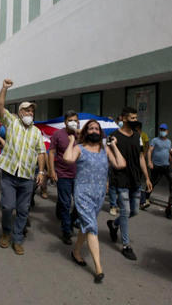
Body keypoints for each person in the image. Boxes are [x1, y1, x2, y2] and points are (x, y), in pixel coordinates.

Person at [64, 120, 127, 284]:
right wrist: (71, 142)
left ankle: (76, 252)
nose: (94, 131)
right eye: (91, 128)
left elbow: (121, 164)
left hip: (98, 195)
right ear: (86, 132)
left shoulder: (105, 150)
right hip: (83, 193)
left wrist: (114, 146)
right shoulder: (79, 148)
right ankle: (98, 268)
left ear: (100, 133)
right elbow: (68, 159)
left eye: (96, 129)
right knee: (92, 226)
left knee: (86, 225)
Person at [0, 79, 47, 255]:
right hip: (9, 174)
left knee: (24, 210)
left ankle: (17, 239)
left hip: (27, 177)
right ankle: (6, 232)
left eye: (32, 110)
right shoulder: (11, 122)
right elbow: (1, 106)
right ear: (19, 112)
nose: (30, 113)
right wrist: (4, 88)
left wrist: (41, 171)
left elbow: (41, 152)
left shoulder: (37, 132)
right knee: (8, 206)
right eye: (27, 110)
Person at [106, 107, 152, 261]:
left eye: (135, 118)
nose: (135, 121)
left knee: (134, 211)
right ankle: (126, 245)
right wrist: (106, 180)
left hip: (135, 180)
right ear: (124, 118)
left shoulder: (137, 136)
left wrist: (147, 178)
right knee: (125, 211)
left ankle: (114, 224)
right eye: (132, 118)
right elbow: (108, 158)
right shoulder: (113, 136)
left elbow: (140, 158)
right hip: (121, 180)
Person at [48, 110, 80, 245]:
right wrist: (51, 171)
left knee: (79, 203)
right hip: (63, 174)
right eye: (71, 120)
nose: (74, 122)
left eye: (76, 120)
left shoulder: (82, 135)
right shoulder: (58, 134)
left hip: (79, 175)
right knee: (66, 203)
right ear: (65, 122)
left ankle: (71, 219)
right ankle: (66, 231)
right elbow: (51, 152)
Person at [146, 123, 172, 219]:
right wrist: (149, 162)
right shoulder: (155, 140)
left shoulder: (169, 142)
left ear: (167, 131)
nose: (162, 131)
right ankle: (145, 198)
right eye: (161, 129)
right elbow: (150, 151)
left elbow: (169, 153)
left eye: (164, 130)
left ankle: (171, 202)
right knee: (153, 182)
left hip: (166, 166)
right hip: (156, 165)